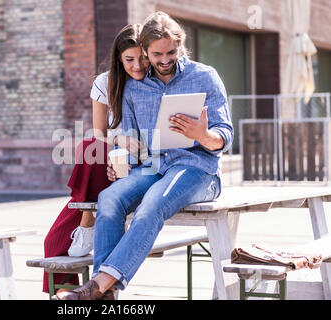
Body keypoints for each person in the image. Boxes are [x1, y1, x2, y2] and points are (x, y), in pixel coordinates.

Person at [54, 11, 234, 300]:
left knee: (152, 204)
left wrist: (203, 134)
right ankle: (106, 295)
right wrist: (119, 158)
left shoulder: (204, 76)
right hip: (153, 166)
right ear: (146, 51)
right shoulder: (135, 86)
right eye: (157, 54)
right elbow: (134, 139)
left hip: (197, 169)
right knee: (109, 198)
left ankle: (97, 285)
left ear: (181, 45)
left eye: (171, 52)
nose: (165, 60)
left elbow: (225, 136)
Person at [42, 24, 150, 294]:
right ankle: (87, 215)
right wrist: (120, 140)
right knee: (53, 245)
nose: (137, 66)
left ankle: (88, 215)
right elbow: (99, 134)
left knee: (92, 148)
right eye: (129, 59)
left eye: (142, 58)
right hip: (108, 165)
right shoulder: (104, 82)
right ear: (118, 58)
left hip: (144, 167)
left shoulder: (154, 82)